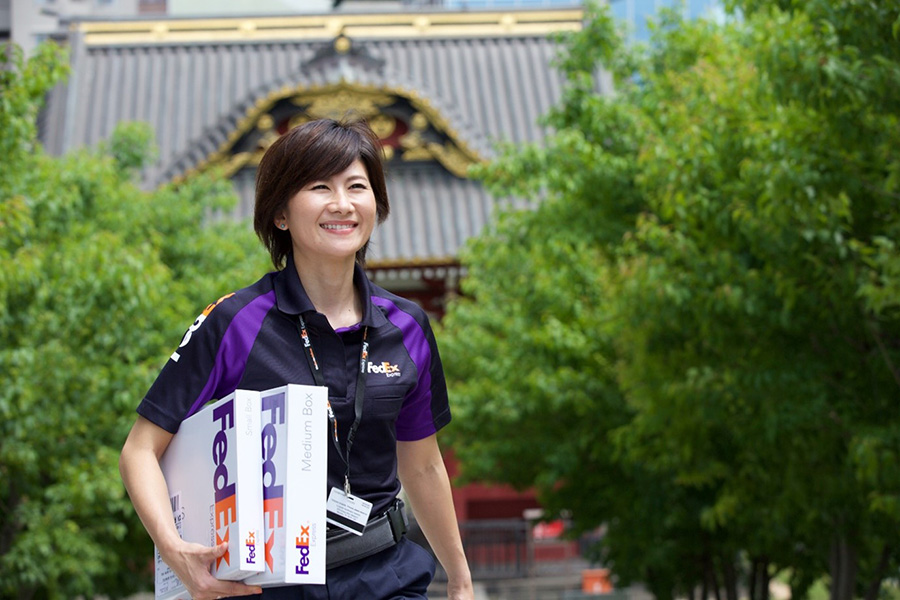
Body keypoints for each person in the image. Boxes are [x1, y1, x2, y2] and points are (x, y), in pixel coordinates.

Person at [119, 117, 474, 600]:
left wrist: (459, 578)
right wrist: (175, 550)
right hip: (269, 585)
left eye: (357, 186)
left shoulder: (408, 325)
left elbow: (423, 465)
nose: (342, 204)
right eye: (320, 187)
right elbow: (140, 450)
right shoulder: (235, 322)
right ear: (281, 214)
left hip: (387, 576)